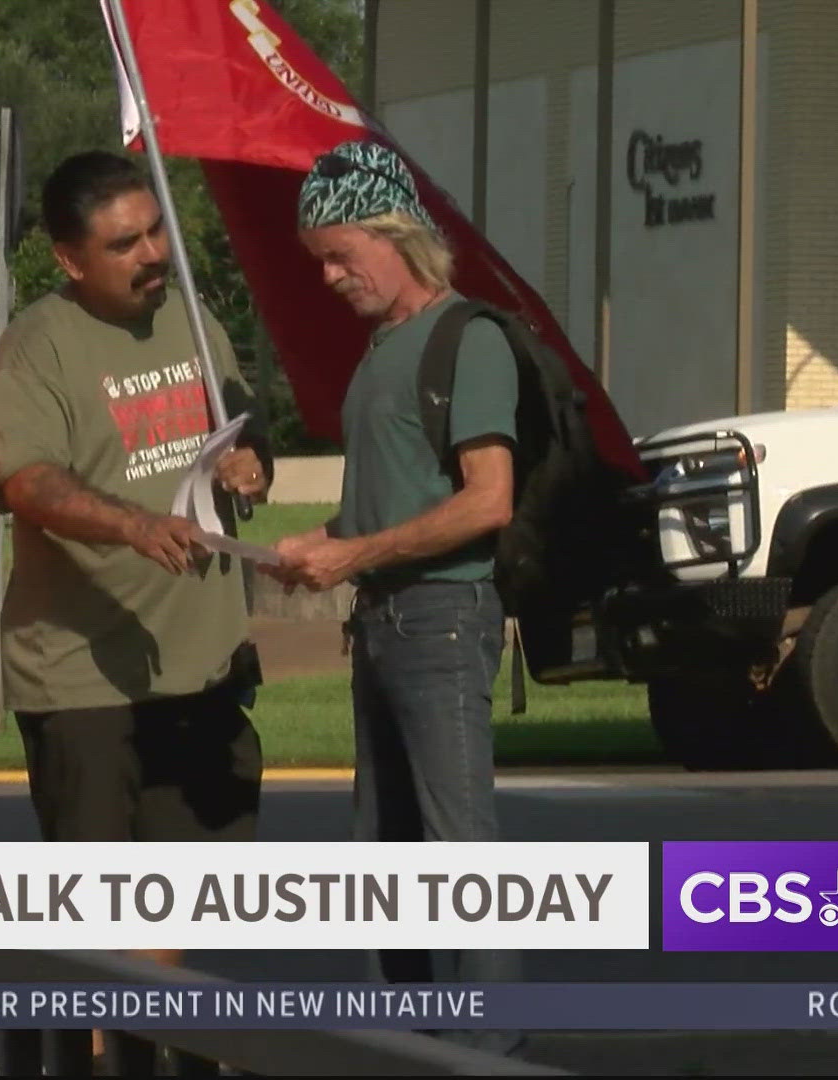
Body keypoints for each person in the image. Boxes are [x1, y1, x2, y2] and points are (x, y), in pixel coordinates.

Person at [273, 139, 524, 1052]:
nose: (333, 276)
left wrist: (357, 554)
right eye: (322, 261)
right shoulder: (383, 349)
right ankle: (398, 1043)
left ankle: (494, 1049)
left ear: (398, 234)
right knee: (382, 853)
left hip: (443, 620)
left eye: (343, 255)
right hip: (380, 620)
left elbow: (486, 500)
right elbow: (392, 502)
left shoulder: (469, 339)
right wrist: (324, 548)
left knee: (461, 849)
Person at [0, 149, 273, 862]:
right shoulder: (35, 350)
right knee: (100, 922)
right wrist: (133, 526)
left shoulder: (193, 319)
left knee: (188, 903)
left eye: (155, 232)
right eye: (124, 244)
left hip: (203, 668)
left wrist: (254, 463)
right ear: (70, 260)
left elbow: (244, 424)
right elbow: (27, 481)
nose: (152, 255)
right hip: (87, 684)